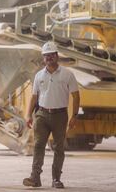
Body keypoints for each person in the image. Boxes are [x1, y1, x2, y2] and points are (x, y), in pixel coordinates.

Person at [23, 41, 80, 189]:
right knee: (38, 145)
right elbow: (34, 97)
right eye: (46, 56)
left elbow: (76, 95)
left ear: (56, 56)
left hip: (60, 115)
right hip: (42, 114)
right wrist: (28, 115)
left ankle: (56, 179)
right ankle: (35, 178)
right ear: (43, 58)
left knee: (58, 147)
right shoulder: (39, 75)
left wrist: (74, 116)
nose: (48, 58)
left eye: (51, 55)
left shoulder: (68, 75)